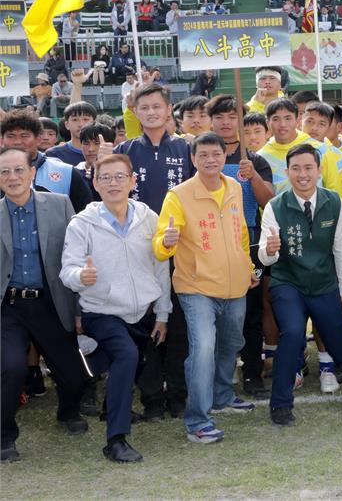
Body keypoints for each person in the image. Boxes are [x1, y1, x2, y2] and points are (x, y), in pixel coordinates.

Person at [59, 153, 171, 463]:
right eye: (105, 177)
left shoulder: (149, 218)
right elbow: (67, 269)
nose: (113, 183)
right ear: (94, 183)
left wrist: (162, 314)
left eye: (120, 176)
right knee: (126, 354)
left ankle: (111, 405)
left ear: (133, 181)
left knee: (135, 359)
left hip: (142, 311)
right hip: (101, 310)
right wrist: (81, 276)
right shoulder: (82, 224)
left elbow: (161, 267)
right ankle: (116, 439)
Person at [153, 133, 260, 444]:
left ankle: (223, 395)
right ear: (193, 159)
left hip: (236, 285)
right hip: (196, 287)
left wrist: (248, 267)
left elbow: (240, 234)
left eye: (216, 154)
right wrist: (167, 242)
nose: (211, 160)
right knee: (202, 351)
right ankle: (198, 421)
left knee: (231, 344)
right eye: (204, 155)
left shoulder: (235, 187)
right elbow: (160, 248)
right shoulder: (178, 195)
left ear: (224, 155)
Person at [258, 145, 342, 426]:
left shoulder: (334, 203)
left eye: (309, 168)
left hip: (323, 284)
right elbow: (264, 254)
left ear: (319, 171)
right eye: (296, 168)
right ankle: (280, 404)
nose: (302, 174)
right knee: (292, 333)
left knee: (341, 347)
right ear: (287, 172)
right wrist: (270, 250)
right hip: (287, 283)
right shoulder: (276, 206)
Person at [112, 83, 195, 420]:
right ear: (134, 111)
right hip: (137, 251)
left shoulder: (186, 149)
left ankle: (177, 394)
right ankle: (151, 399)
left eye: (156, 106)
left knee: (177, 324)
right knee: (144, 323)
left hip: (180, 250)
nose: (150, 112)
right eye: (143, 107)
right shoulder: (124, 150)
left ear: (168, 108)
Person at [1, 148, 87, 464]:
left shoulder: (59, 205)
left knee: (73, 375)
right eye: (5, 172)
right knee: (10, 368)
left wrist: (78, 309)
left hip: (51, 301)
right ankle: (5, 437)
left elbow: (73, 256)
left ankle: (68, 412)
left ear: (32, 172)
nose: (12, 177)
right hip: (8, 307)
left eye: (18, 170)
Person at [207, 96, 275, 399]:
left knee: (251, 310)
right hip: (210, 242)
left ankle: (251, 372)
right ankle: (218, 371)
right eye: (219, 117)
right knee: (214, 311)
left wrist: (254, 175)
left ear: (241, 121)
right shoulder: (202, 154)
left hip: (248, 240)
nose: (225, 122)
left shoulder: (254, 159)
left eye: (231, 116)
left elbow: (268, 201)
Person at [1, 109, 93, 213]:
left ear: (38, 139)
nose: (17, 142)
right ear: (2, 140)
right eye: (11, 136)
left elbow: (86, 216)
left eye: (24, 136)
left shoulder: (67, 172)